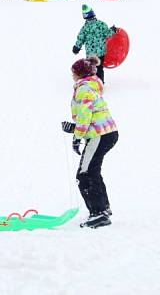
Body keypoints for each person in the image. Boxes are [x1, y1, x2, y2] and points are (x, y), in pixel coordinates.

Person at [60, 57, 118, 229]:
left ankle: (98, 214)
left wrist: (77, 137)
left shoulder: (84, 89)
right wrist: (74, 129)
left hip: (99, 135)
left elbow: (85, 116)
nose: (72, 75)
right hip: (106, 133)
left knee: (84, 175)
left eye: (73, 72)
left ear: (79, 73)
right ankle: (103, 209)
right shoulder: (91, 87)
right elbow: (91, 116)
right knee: (92, 171)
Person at [72, 4, 116, 83]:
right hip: (100, 52)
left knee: (90, 68)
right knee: (99, 68)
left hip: (90, 54)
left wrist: (76, 47)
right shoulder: (101, 24)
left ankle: (91, 81)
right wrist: (113, 30)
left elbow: (80, 38)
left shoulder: (84, 28)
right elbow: (108, 34)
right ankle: (101, 82)